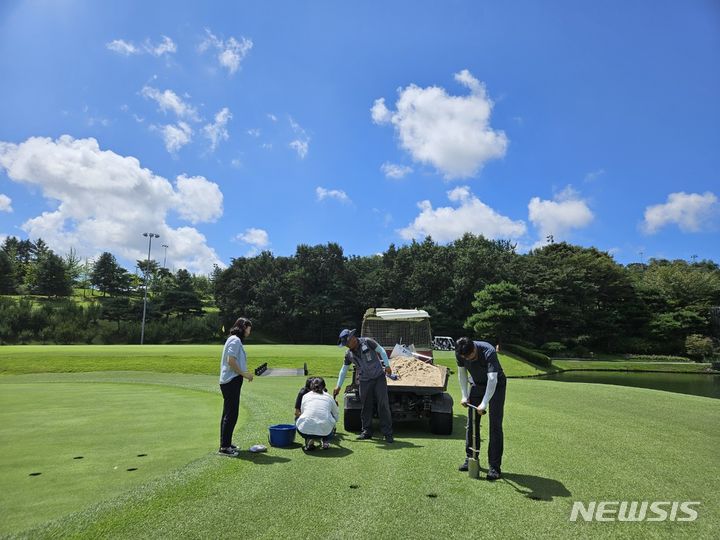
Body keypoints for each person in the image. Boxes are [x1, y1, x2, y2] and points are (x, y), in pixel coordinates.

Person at [455, 337, 507, 480]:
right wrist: (464, 395)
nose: (468, 360)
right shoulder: (460, 352)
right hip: (477, 385)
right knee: (472, 423)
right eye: (465, 357)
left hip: (497, 386)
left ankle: (494, 467)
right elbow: (462, 374)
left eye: (470, 356)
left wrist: (484, 404)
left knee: (495, 425)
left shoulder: (488, 351)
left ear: (474, 350)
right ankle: (471, 458)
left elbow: (492, 380)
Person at [332, 328, 394, 443]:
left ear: (352, 338)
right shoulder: (348, 354)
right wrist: (338, 386)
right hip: (364, 380)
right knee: (366, 406)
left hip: (379, 378)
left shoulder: (368, 342)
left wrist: (387, 365)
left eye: (347, 343)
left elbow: (381, 351)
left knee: (383, 404)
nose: (346, 346)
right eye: (345, 345)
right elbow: (344, 370)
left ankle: (387, 433)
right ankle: (366, 431)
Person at [218, 317, 254, 456]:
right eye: (249, 328)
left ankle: (225, 443)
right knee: (231, 414)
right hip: (231, 380)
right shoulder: (235, 340)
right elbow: (231, 360)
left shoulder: (233, 339)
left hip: (230, 380)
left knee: (228, 413)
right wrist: (245, 374)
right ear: (244, 327)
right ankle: (225, 448)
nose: (249, 332)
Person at [296, 377, 339, 451]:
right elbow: (336, 415)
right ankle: (325, 440)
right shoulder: (329, 397)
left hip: (304, 431)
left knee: (298, 419)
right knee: (331, 420)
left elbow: (302, 413)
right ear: (324, 387)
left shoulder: (305, 396)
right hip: (326, 431)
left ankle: (310, 439)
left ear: (311, 386)